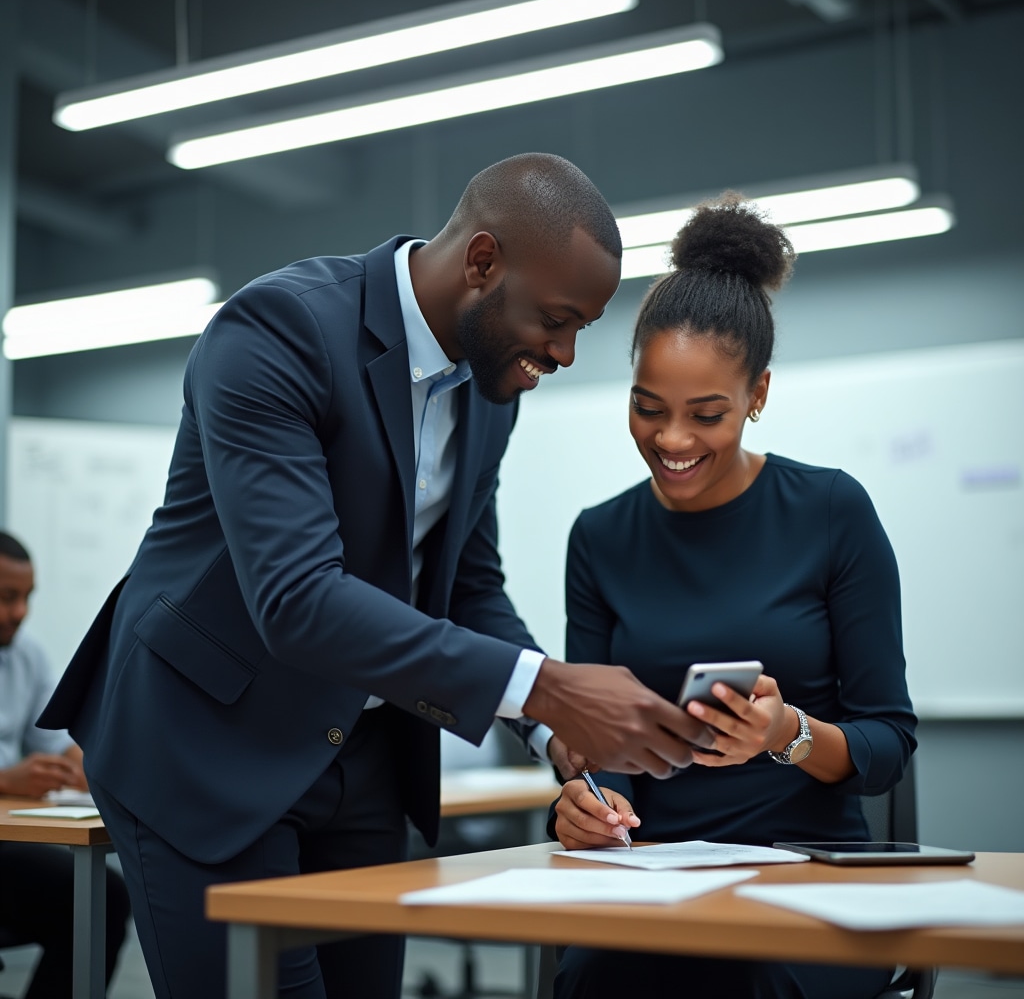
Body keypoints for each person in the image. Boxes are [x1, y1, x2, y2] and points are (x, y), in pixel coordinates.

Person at [38, 153, 715, 999]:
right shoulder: (278, 330)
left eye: (583, 326)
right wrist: (547, 686)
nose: (567, 353)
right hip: (206, 740)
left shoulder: (489, 390)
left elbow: (467, 586)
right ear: (481, 262)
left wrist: (552, 732)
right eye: (556, 318)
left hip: (357, 750)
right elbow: (296, 598)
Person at [550, 196, 917, 999]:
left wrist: (788, 735)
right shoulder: (600, 537)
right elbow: (600, 747)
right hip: (652, 876)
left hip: (812, 880)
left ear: (758, 395)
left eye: (706, 414)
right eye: (648, 408)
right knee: (591, 977)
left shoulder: (830, 512)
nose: (672, 441)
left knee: (748, 981)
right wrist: (591, 802)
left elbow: (888, 745)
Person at [0, 531, 131, 999]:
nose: (19, 612)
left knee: (102, 899)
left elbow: (59, 743)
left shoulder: (26, 656)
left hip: (6, 842)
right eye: (5, 598)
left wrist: (75, 761)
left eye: (25, 598)